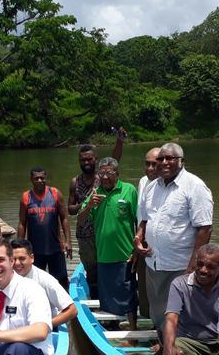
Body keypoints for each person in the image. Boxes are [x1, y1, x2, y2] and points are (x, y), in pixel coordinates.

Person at [134, 143, 214, 332]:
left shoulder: (195, 186)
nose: (164, 162)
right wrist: (138, 238)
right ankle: (162, 341)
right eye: (160, 159)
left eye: (170, 158)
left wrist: (193, 264)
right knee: (158, 309)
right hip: (153, 261)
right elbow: (145, 220)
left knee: (179, 311)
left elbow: (205, 228)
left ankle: (178, 345)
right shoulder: (151, 187)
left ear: (181, 161)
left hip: (180, 264)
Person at [78, 157, 138, 332]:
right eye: (102, 172)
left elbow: (139, 220)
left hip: (125, 254)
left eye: (109, 173)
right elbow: (81, 221)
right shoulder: (95, 193)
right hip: (103, 255)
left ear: (117, 174)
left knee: (128, 294)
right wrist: (89, 205)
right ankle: (113, 328)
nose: (105, 176)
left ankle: (133, 332)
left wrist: (136, 250)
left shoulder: (129, 190)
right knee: (108, 296)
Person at [67, 128, 126, 298]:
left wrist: (119, 141)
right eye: (83, 159)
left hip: (101, 232)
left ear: (96, 159)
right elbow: (70, 209)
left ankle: (112, 299)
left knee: (107, 268)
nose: (86, 162)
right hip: (84, 235)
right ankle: (95, 300)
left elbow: (115, 160)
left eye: (89, 159)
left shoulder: (102, 177)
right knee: (91, 272)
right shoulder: (74, 182)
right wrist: (85, 203)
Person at [158, 244, 219, 355]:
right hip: (190, 342)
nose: (203, 270)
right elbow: (171, 319)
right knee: (175, 348)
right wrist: (168, 347)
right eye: (200, 264)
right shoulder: (180, 284)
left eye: (210, 266)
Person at [18, 167, 71, 288]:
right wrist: (19, 246)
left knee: (61, 280)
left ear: (46, 178)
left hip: (55, 247)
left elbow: (64, 218)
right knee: (34, 282)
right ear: (31, 179)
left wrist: (68, 241)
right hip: (35, 249)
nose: (40, 180)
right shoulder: (26, 197)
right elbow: (22, 223)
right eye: (36, 178)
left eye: (42, 177)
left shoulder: (55, 193)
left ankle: (65, 305)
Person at [11, 239, 78, 327]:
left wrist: (46, 325)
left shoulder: (45, 280)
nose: (17, 263)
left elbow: (72, 310)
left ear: (32, 258)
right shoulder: (6, 278)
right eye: (13, 259)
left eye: (22, 259)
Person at [136, 146, 161, 319]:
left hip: (161, 246)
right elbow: (141, 216)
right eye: (147, 164)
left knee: (161, 288)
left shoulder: (169, 186)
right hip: (142, 242)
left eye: (154, 164)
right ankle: (146, 319)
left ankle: (159, 326)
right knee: (144, 286)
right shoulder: (143, 181)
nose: (150, 169)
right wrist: (137, 239)